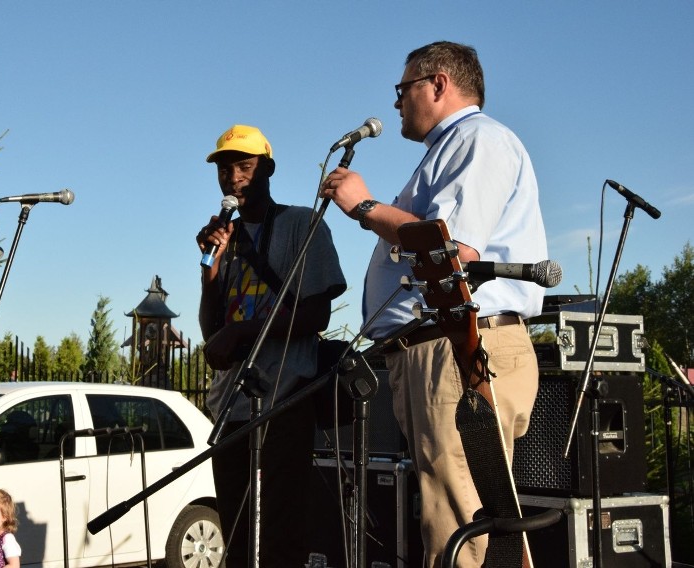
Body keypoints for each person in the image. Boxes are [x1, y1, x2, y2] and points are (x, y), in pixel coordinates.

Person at [321, 41, 547, 567]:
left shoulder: (476, 138)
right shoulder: (454, 148)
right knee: (486, 527)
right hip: (445, 348)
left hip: (457, 346)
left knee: (457, 525)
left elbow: (454, 248)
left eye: (403, 90)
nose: (398, 103)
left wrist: (365, 205)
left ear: (439, 84)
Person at [197, 124, 346, 567]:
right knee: (237, 535)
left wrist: (244, 332)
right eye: (225, 170)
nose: (233, 178)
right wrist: (209, 269)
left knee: (282, 531)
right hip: (231, 405)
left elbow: (317, 314)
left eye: (244, 166)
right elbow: (211, 332)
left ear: (268, 170)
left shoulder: (301, 223)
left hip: (285, 397)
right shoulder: (226, 238)